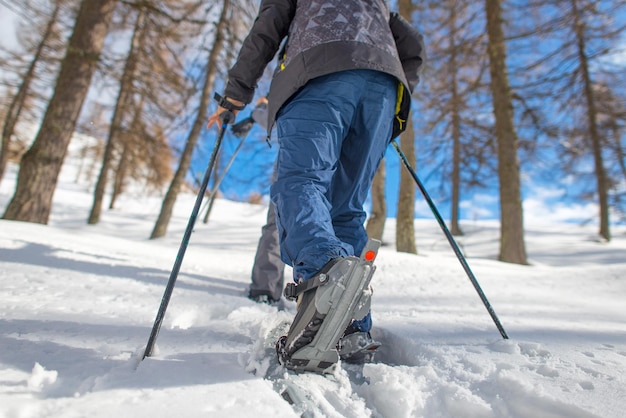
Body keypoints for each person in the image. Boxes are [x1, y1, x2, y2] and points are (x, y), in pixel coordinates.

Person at [208, 0, 424, 371]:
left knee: (301, 182)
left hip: (317, 75)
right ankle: (353, 326)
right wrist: (394, 88)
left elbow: (267, 28)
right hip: (384, 89)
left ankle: (325, 277)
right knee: (347, 209)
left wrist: (235, 94)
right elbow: (412, 42)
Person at [232, 97, 286, 305]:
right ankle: (267, 288)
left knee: (278, 225)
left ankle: (265, 288)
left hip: (294, 164)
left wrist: (259, 111)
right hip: (331, 166)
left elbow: (276, 122)